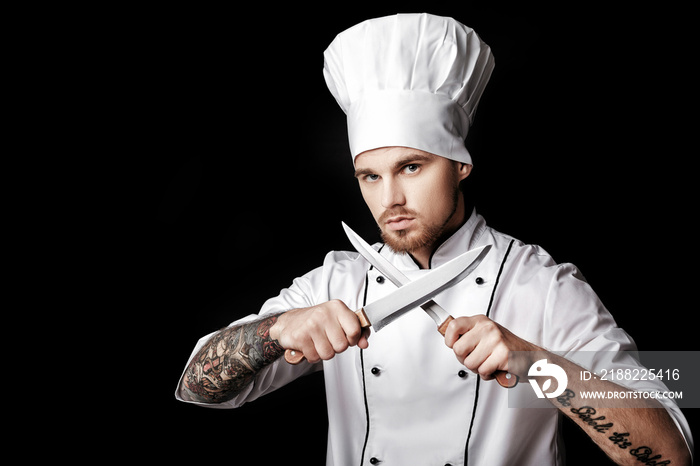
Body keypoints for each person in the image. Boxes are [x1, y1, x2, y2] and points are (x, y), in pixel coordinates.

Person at [175, 13, 693, 465]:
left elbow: (670, 453)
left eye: (411, 167)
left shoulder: (543, 286)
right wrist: (278, 332)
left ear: (460, 164)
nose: (390, 199)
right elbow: (197, 390)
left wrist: (538, 366)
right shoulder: (337, 280)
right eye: (370, 176)